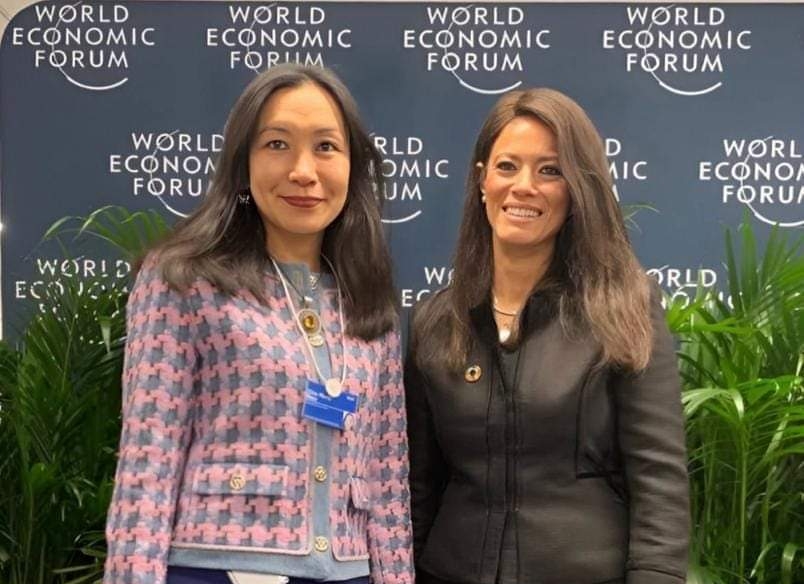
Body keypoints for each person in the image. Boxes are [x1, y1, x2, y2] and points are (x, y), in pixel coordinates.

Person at [103, 64, 413, 584]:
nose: (303, 171)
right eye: (277, 144)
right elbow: (147, 464)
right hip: (218, 567)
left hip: (350, 571)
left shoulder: (367, 299)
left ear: (353, 167)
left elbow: (388, 477)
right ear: (243, 163)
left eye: (326, 147)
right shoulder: (184, 279)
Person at [405, 88, 690, 584]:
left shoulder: (624, 308)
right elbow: (418, 487)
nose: (524, 187)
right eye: (507, 166)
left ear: (577, 189)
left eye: (550, 171)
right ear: (482, 181)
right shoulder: (434, 320)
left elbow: (658, 480)